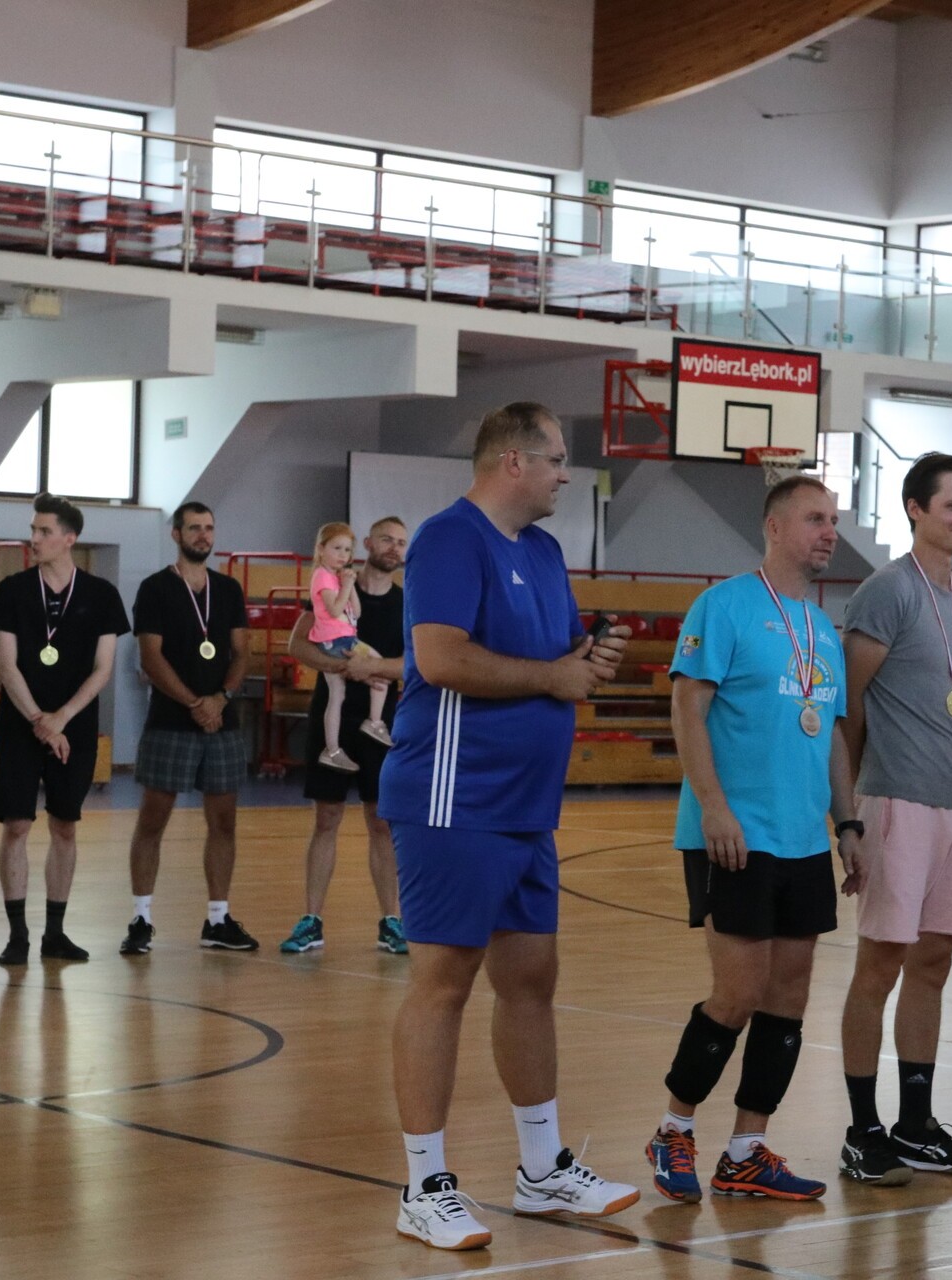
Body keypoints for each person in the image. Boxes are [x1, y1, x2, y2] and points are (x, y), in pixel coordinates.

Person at [378, 402, 637, 1252]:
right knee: (443, 984)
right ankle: (424, 1186)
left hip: (527, 807)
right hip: (456, 797)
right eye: (557, 459)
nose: (567, 473)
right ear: (512, 462)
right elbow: (442, 657)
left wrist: (589, 661)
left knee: (530, 979)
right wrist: (552, 677)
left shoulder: (545, 551)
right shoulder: (451, 539)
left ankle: (541, 1168)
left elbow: (559, 661)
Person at [645, 476, 863, 1205]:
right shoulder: (725, 606)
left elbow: (832, 735)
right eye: (815, 519)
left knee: (788, 998)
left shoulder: (822, 629)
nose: (829, 532)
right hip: (735, 835)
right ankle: (674, 1128)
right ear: (774, 527)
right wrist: (714, 808)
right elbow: (688, 709)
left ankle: (746, 1150)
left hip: (803, 840)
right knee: (737, 993)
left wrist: (848, 824)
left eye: (834, 520)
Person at [835, 453, 952, 1185]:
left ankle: (915, 1126)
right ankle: (861, 1130)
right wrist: (851, 810)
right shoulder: (887, 591)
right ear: (915, 509)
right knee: (879, 965)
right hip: (897, 798)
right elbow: (848, 704)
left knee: (933, 964)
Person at [0, 494, 130, 966]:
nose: (34, 538)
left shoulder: (102, 595)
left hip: (74, 727)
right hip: (21, 723)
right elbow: (6, 667)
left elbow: (103, 669)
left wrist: (61, 718)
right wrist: (39, 721)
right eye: (33, 529)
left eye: (44, 531)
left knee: (65, 824)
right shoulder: (12, 590)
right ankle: (17, 935)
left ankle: (56, 933)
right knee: (17, 824)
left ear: (70, 538)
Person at [120, 501, 256, 957]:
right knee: (152, 820)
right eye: (194, 528)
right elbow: (151, 657)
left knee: (224, 823)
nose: (203, 535)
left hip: (222, 722)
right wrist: (196, 703)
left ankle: (217, 919)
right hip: (171, 721)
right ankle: (141, 918)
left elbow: (242, 653)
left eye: (209, 528)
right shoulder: (156, 588)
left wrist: (221, 698)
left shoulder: (228, 589)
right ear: (176, 534)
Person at [282, 515, 408, 956]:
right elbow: (297, 645)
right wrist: (341, 666)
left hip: (380, 723)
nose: (394, 548)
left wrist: (372, 667)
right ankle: (311, 920)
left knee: (381, 821)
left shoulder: (407, 603)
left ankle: (391, 921)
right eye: (387, 539)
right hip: (332, 715)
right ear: (368, 544)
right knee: (326, 818)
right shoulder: (332, 586)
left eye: (401, 543)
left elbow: (414, 663)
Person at [306, 522, 392, 773]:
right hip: (339, 641)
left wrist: (349, 584)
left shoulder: (335, 576)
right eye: (337, 548)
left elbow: (358, 612)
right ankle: (374, 721)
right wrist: (345, 586)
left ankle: (332, 749)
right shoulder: (322, 576)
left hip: (338, 639)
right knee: (380, 670)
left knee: (337, 696)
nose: (343, 555)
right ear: (321, 549)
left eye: (347, 550)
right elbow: (334, 610)